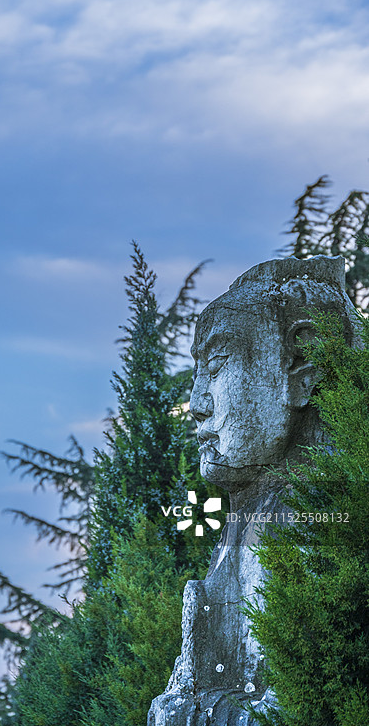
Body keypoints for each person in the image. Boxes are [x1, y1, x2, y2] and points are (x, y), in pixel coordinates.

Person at [148, 255, 360, 726]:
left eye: (217, 364)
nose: (196, 403)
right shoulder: (257, 515)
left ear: (302, 367)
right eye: (197, 371)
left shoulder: (311, 518)